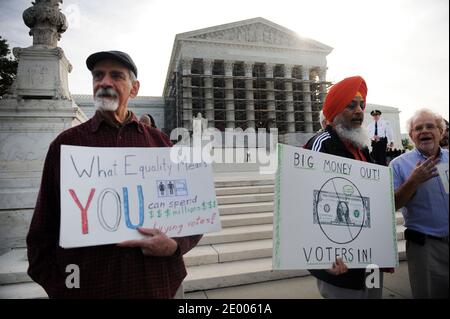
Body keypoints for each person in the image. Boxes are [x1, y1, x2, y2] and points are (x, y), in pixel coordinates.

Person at [26, 50, 202, 298]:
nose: (104, 82)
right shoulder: (66, 145)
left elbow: (192, 213)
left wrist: (175, 245)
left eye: (116, 75)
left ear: (134, 89)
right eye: (98, 75)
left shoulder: (160, 143)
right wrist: (63, 290)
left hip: (157, 288)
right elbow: (41, 234)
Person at [304, 75, 393, 299]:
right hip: (339, 264)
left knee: (374, 296)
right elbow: (303, 198)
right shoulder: (321, 143)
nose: (359, 111)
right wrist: (323, 257)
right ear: (334, 111)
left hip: (370, 262)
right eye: (351, 105)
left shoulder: (363, 148)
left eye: (362, 105)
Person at [390, 108, 448, 299]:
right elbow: (393, 205)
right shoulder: (398, 165)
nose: (424, 131)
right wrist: (413, 181)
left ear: (441, 131)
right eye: (418, 128)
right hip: (426, 248)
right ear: (413, 136)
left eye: (430, 126)